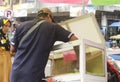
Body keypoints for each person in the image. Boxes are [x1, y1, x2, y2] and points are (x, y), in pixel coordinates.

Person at [10, 7, 78, 82]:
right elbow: (75, 40)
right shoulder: (53, 27)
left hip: (15, 74)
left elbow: (12, 50)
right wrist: (75, 59)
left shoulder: (21, 26)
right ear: (49, 16)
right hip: (33, 76)